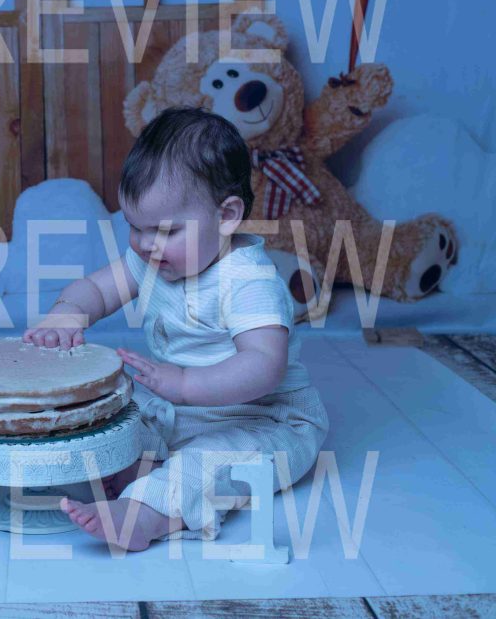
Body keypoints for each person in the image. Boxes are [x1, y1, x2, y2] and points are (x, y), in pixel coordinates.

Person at [22, 106, 329, 551]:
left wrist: (185, 384)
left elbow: (265, 365)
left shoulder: (249, 280)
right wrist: (67, 313)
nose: (147, 245)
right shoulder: (153, 258)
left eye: (165, 231)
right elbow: (98, 289)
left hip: (266, 419)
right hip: (181, 410)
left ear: (226, 216)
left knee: (205, 464)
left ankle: (145, 516)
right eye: (134, 227)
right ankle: (131, 470)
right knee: (116, 417)